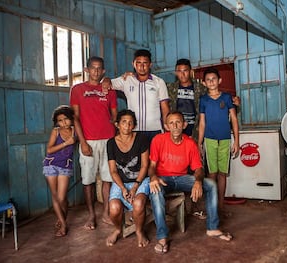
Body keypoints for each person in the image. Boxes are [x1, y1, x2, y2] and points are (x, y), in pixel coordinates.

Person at [149, 111, 233, 254]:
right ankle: (162, 237)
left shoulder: (190, 143)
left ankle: (212, 228)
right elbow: (151, 166)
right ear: (166, 126)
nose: (175, 126)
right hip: (163, 179)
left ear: (184, 124)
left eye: (178, 122)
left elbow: (198, 168)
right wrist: (153, 177)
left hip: (182, 178)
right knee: (155, 190)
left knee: (211, 184)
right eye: (171, 123)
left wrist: (198, 181)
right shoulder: (158, 140)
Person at [70, 56, 118, 230]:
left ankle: (105, 212)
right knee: (88, 180)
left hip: (108, 140)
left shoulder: (110, 90)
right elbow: (74, 117)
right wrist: (82, 142)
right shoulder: (77, 89)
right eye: (93, 68)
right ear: (86, 70)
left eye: (99, 69)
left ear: (103, 71)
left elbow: (114, 115)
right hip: (88, 141)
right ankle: (91, 215)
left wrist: (111, 131)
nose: (96, 71)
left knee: (108, 178)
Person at [103, 49, 170, 143]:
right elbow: (108, 83)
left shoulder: (159, 82)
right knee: (136, 158)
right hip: (133, 130)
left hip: (155, 130)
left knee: (154, 158)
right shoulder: (126, 80)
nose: (142, 67)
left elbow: (165, 108)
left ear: (150, 64)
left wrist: (167, 128)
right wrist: (106, 79)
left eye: (145, 63)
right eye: (138, 63)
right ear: (133, 64)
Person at [198, 67, 239, 215]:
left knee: (222, 174)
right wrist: (199, 143)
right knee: (212, 174)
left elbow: (234, 119)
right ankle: (212, 206)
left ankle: (221, 206)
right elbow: (202, 123)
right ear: (204, 83)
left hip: (225, 140)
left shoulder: (227, 98)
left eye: (214, 79)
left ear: (219, 80)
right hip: (209, 140)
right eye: (208, 80)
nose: (211, 82)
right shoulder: (203, 100)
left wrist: (236, 141)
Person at [106, 109, 150, 247]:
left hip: (141, 180)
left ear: (134, 126)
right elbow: (113, 171)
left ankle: (139, 231)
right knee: (114, 207)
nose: (127, 126)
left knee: (138, 203)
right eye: (124, 122)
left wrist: (136, 186)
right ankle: (118, 229)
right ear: (117, 124)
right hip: (121, 182)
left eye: (131, 123)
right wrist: (124, 189)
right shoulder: (111, 143)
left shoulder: (141, 138)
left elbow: (144, 166)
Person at [43, 105, 77, 237]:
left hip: (65, 165)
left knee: (62, 197)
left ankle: (61, 217)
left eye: (66, 119)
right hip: (51, 164)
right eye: (60, 120)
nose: (64, 123)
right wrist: (66, 143)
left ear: (71, 119)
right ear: (57, 122)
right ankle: (63, 224)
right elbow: (49, 150)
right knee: (56, 195)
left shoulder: (75, 130)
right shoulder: (56, 132)